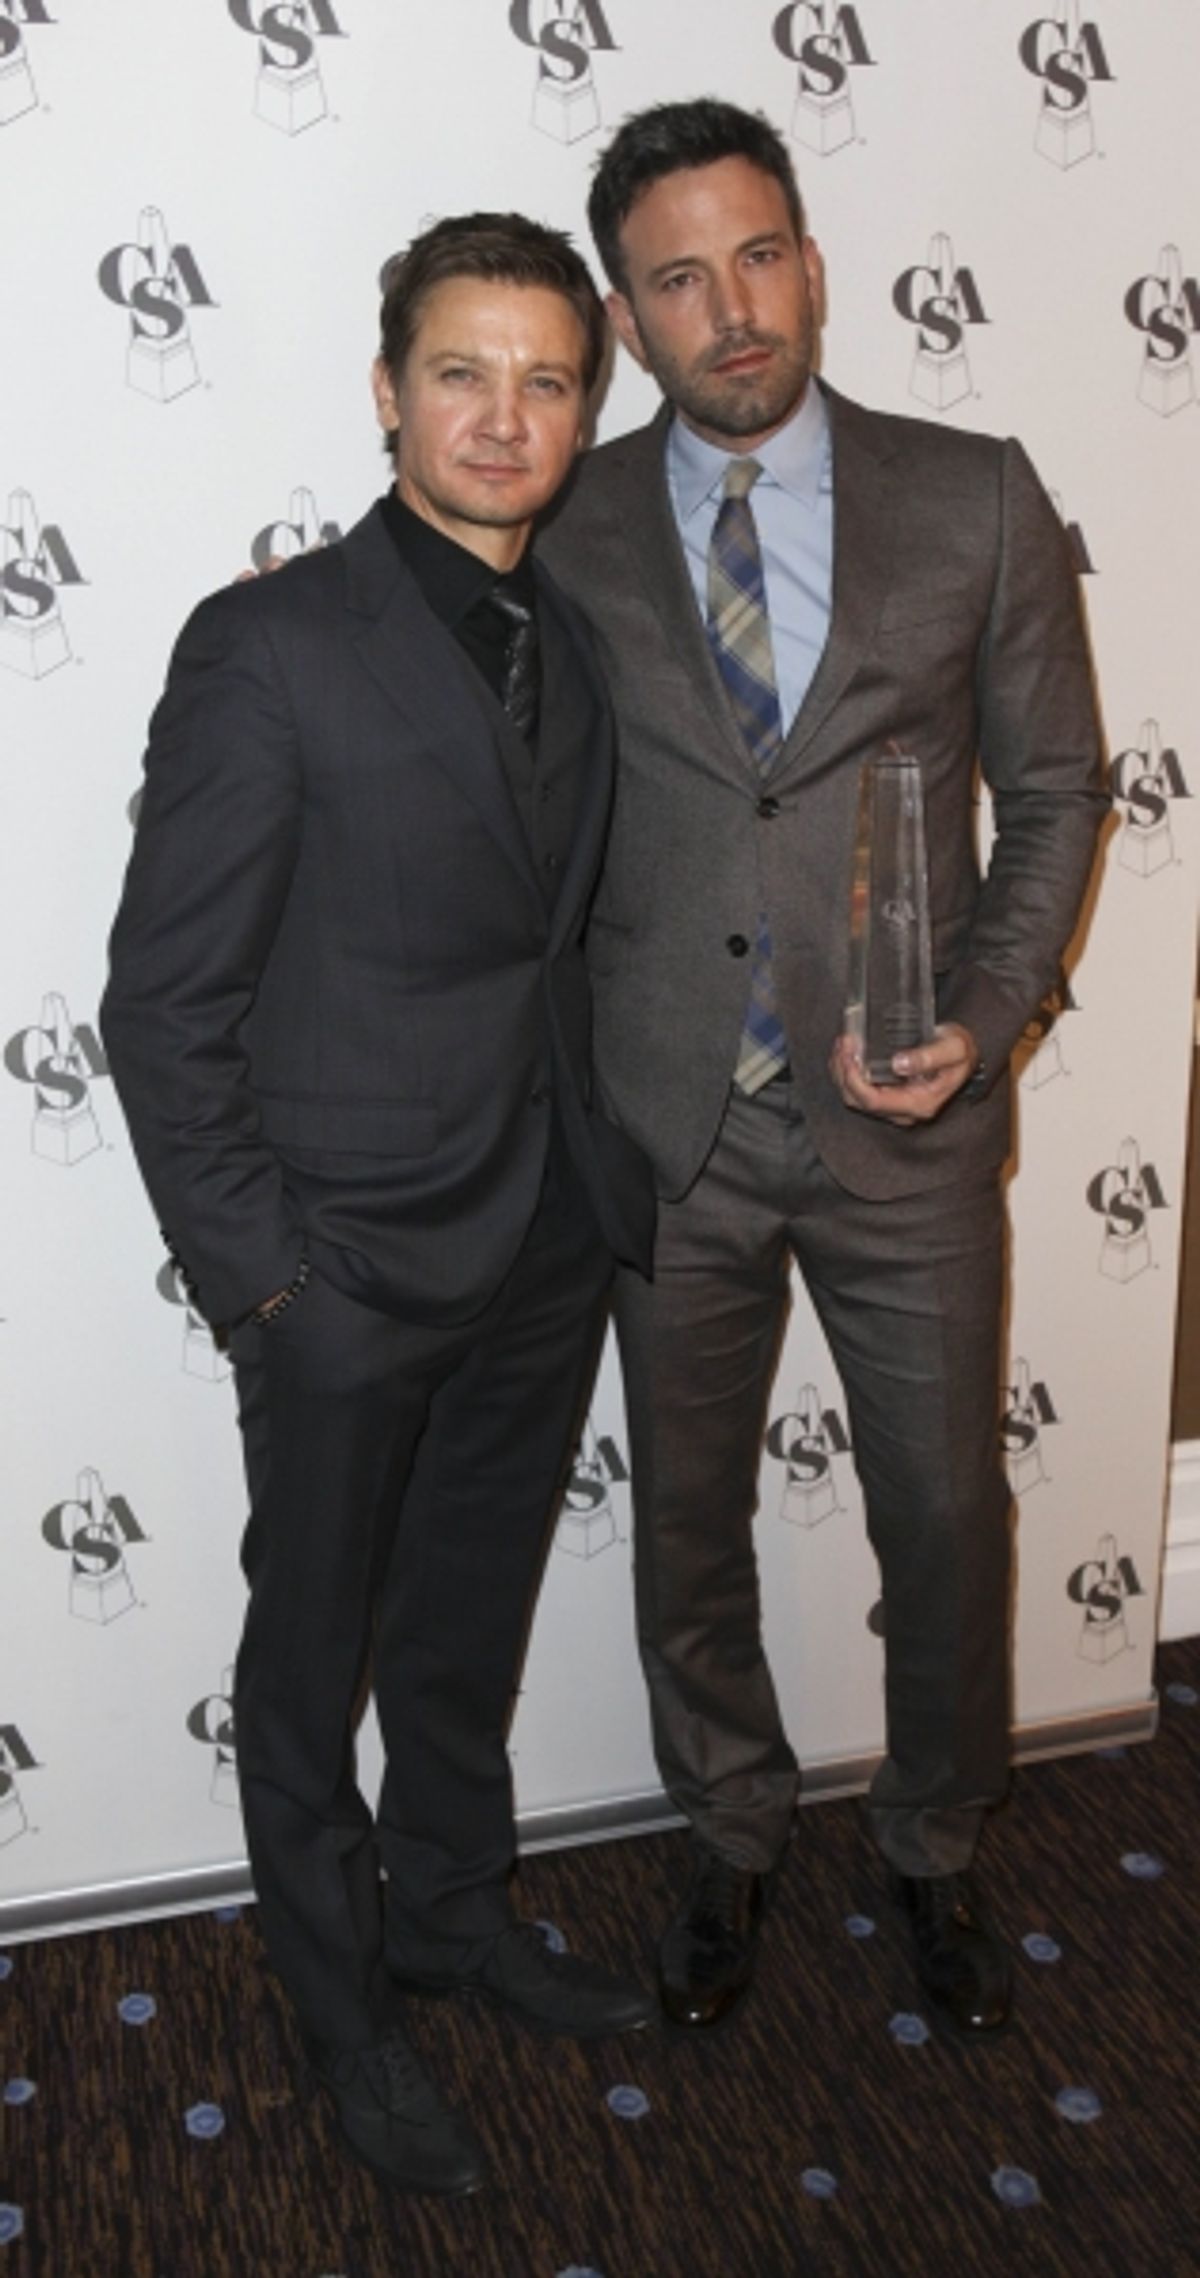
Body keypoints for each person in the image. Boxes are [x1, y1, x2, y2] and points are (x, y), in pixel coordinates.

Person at [101, 211, 656, 2199]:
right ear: (386, 389)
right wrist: (268, 1281)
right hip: (342, 1263)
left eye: (546, 377)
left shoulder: (574, 632)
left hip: (540, 1240)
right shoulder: (269, 644)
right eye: (462, 371)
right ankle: (342, 2006)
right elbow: (162, 1005)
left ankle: (451, 1909)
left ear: (585, 406)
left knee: (457, 1624)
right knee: (307, 1655)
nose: (505, 417)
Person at [538, 98, 1108, 2036]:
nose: (735, 304)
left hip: (911, 1120)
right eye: (681, 276)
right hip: (669, 1126)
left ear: (812, 256)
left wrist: (995, 1001)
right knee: (687, 1516)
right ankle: (729, 1822)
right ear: (628, 318)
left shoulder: (979, 494)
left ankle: (937, 1841)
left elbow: (1051, 790)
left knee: (948, 1511)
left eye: (759, 251)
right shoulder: (570, 524)